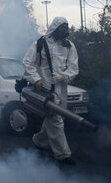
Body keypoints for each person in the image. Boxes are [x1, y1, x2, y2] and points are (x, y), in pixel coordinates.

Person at [23, 17, 78, 165]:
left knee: (55, 118)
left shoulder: (69, 46)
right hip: (45, 90)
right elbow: (28, 62)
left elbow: (74, 68)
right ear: (55, 28)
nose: (66, 30)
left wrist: (63, 76)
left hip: (62, 88)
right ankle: (63, 156)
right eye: (63, 27)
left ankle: (39, 140)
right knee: (56, 119)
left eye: (67, 27)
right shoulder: (40, 44)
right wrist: (36, 79)